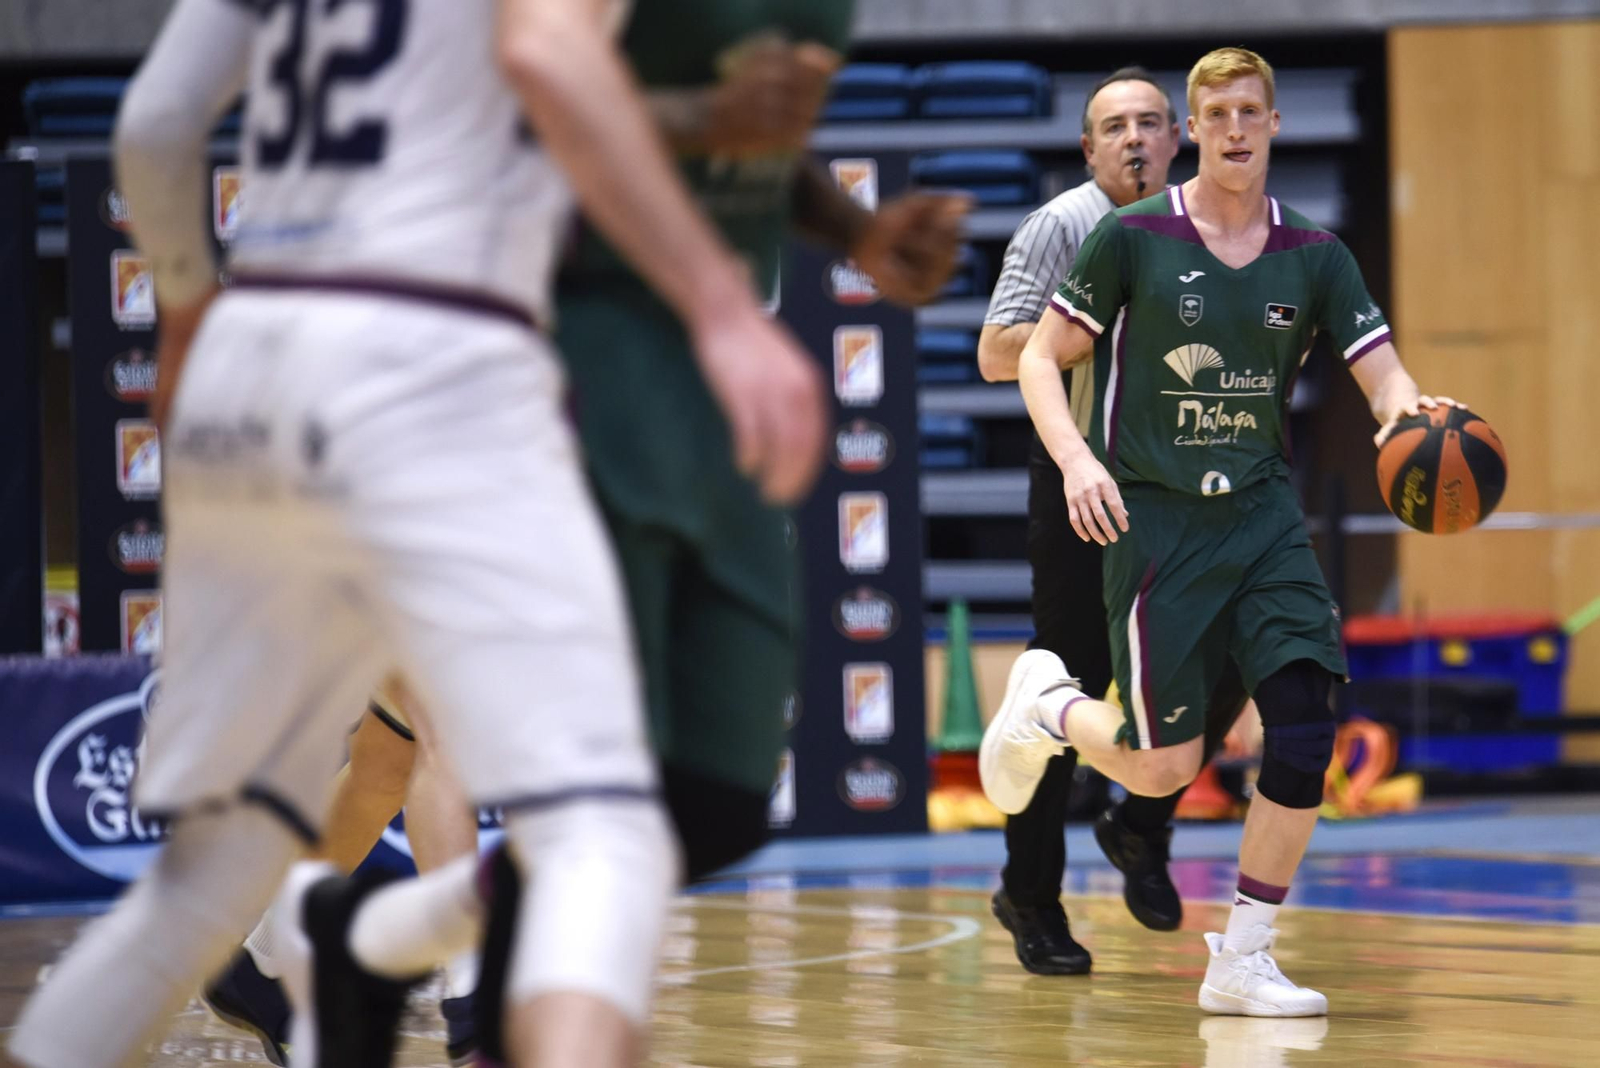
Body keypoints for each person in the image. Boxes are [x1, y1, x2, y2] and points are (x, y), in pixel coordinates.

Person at [4, 0, 831, 1064]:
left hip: (254, 372)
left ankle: (263, 959)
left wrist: (180, 303)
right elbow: (562, 89)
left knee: (327, 793)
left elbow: (159, 122)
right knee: (531, 774)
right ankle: (470, 1004)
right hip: (409, 366)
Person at [980, 47, 1458, 1016]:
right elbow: (1034, 358)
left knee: (1302, 732)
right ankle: (1046, 709)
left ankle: (1241, 959)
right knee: (1166, 764)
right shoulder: (1126, 237)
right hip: (1153, 519)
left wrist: (1409, 415)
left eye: (1252, 111)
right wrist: (1077, 462)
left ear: (1275, 124)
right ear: (1192, 130)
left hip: (1262, 516)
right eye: (1218, 114)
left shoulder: (1315, 255)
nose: (1236, 128)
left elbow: (1382, 371)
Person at [979, 66, 1254, 975]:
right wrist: (1099, 318)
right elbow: (994, 352)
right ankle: (1030, 894)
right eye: (1114, 127)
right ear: (1089, 149)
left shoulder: (1207, 219)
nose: (1134, 139)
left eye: (1149, 123)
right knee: (1068, 688)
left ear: (1178, 138)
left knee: (1236, 656)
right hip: (1079, 481)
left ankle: (1140, 823)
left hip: (1180, 483)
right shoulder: (1061, 224)